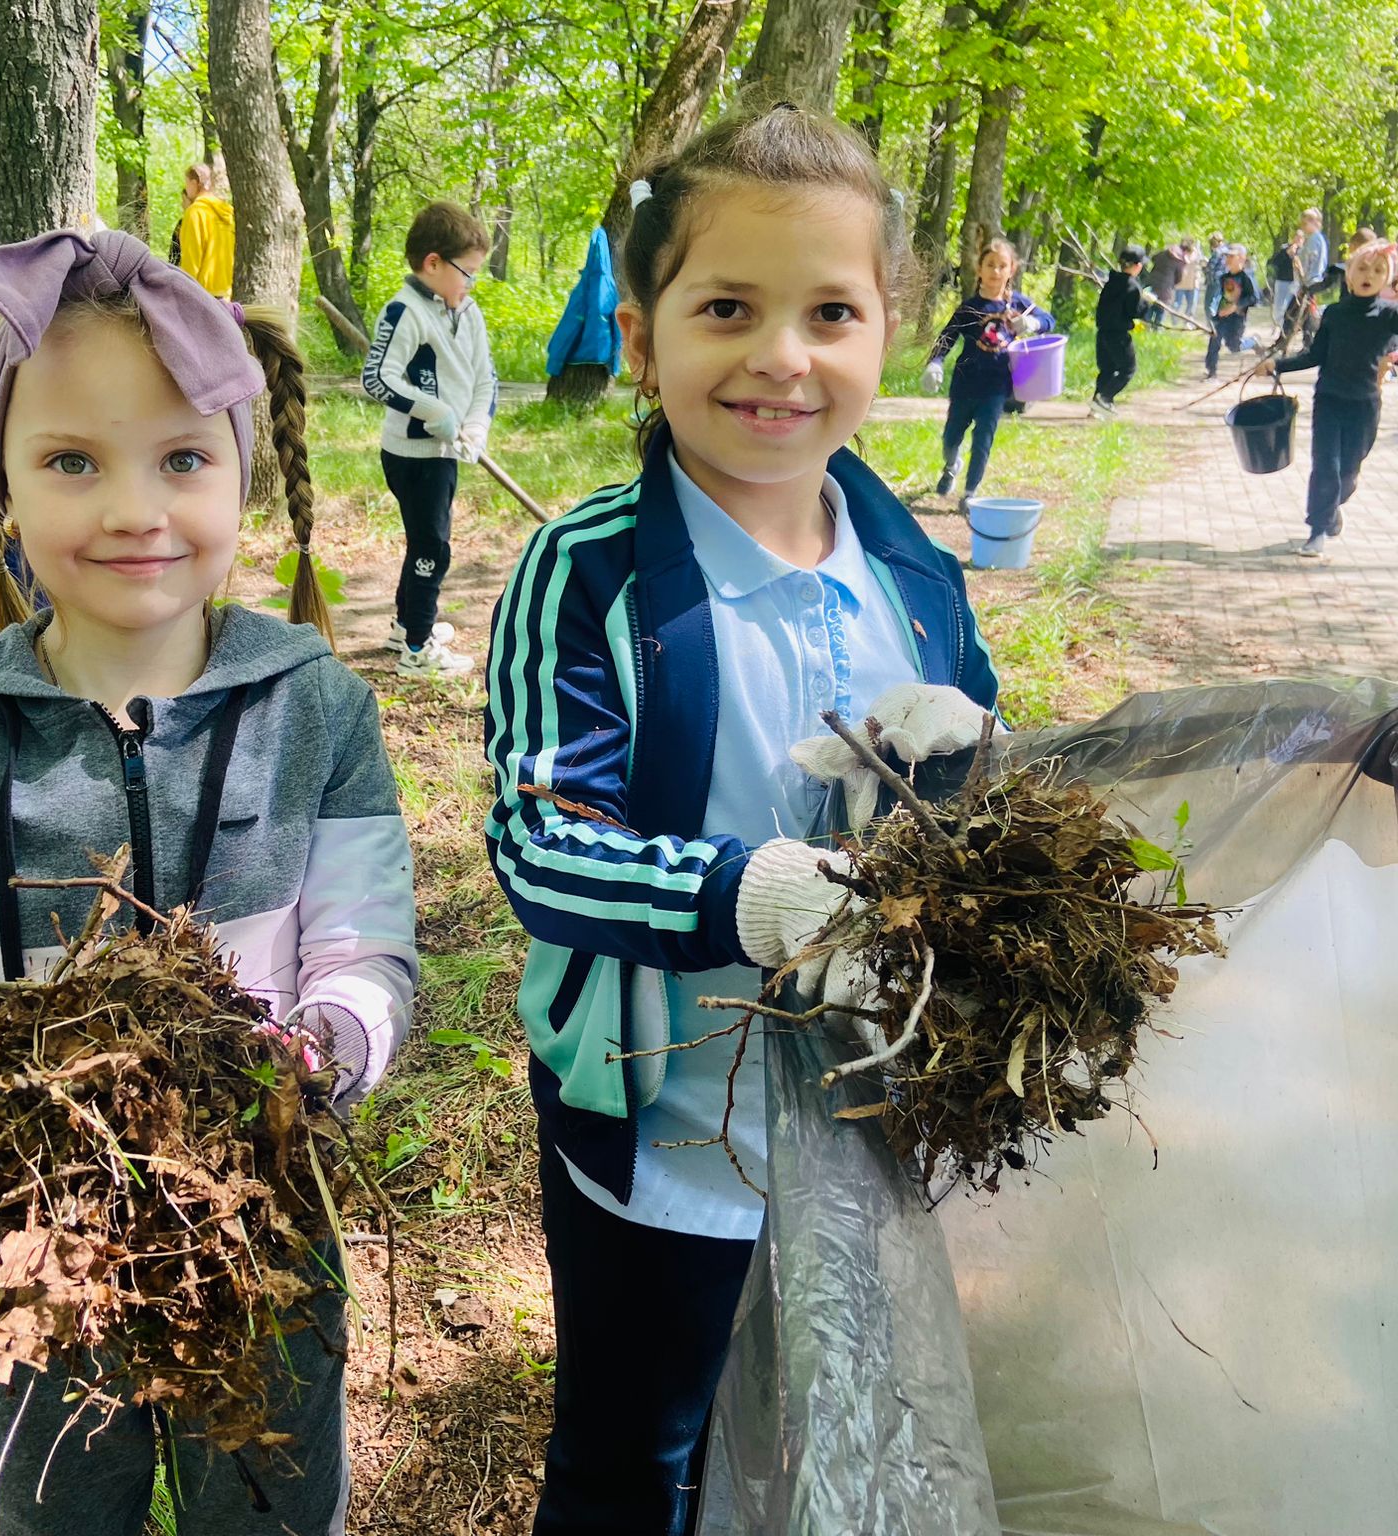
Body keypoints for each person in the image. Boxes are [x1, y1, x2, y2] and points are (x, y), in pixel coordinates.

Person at [0, 227, 418, 1534]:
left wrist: (318, 1052)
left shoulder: (312, 705)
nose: (133, 508)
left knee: (266, 1503)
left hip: (262, 1229)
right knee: (51, 1513)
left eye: (181, 458)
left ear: (243, 468)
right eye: (70, 462)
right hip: (31, 1263)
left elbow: (368, 948)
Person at [484, 104, 998, 1536]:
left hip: (873, 1110)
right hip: (670, 1127)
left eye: (830, 311)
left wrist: (966, 777)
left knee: (833, 1404)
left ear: (886, 328)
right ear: (642, 339)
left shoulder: (917, 571)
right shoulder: (589, 572)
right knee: (639, 1443)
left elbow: (988, 805)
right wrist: (760, 898)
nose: (782, 355)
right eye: (727, 309)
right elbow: (539, 840)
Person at [362, 200, 497, 678]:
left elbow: (485, 379)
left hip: (447, 452)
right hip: (413, 454)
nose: (471, 283)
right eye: (468, 272)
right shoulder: (406, 311)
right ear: (433, 263)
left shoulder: (469, 312)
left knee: (426, 540)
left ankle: (406, 624)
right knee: (432, 548)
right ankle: (418, 649)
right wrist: (431, 409)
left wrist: (476, 424)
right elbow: (377, 377)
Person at [1260, 241, 1398, 559]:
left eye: (1378, 271)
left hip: (1365, 405)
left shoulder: (1390, 316)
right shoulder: (1334, 313)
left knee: (1349, 472)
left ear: (1387, 280)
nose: (1369, 275)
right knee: (1326, 467)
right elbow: (1316, 355)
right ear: (1348, 276)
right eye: (1362, 268)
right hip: (1330, 400)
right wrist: (1277, 365)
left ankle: (1331, 509)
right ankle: (1318, 531)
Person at [923, 236, 1053, 508]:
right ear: (979, 269)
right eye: (990, 265)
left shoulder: (1018, 304)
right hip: (965, 384)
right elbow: (947, 336)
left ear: (1011, 270)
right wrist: (935, 363)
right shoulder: (970, 307)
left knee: (983, 439)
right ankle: (951, 464)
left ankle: (970, 492)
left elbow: (1049, 320)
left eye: (1002, 266)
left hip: (997, 386)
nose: (996, 271)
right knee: (951, 436)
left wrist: (1031, 322)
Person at [1091, 246, 1152, 417]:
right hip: (1118, 334)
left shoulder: (1111, 281)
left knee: (1107, 369)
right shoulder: (1132, 286)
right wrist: (1146, 302)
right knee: (1128, 369)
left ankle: (1098, 404)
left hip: (1102, 332)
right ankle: (1104, 398)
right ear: (1137, 266)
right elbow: (1135, 312)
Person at [176, 162, 235, 299]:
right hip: (228, 293)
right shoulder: (228, 212)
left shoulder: (195, 213)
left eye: (187, 183)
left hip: (204, 295)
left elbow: (191, 259)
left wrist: (185, 293)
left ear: (194, 183)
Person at [1205, 244, 1260, 378]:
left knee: (1233, 346)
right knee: (1214, 340)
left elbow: (1254, 298)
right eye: (1226, 256)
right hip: (1222, 317)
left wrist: (1235, 307)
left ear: (1241, 258)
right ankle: (1211, 372)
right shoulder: (1224, 277)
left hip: (1237, 319)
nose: (1228, 259)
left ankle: (1252, 342)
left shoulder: (1246, 277)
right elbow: (1221, 296)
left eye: (1231, 256)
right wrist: (1216, 312)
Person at [1268, 230, 1304, 331]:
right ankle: (1277, 326)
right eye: (1296, 237)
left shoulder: (1303, 251)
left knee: (1291, 306)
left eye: (1300, 238)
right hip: (1282, 281)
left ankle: (1289, 327)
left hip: (1296, 283)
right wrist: (1287, 253)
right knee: (1279, 305)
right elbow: (1275, 263)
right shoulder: (1284, 248)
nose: (1298, 240)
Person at [1146, 240, 1186, 328]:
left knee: (1150, 306)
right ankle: (1156, 329)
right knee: (1161, 310)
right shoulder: (1178, 262)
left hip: (1153, 283)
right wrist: (1172, 283)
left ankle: (1146, 327)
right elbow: (1179, 278)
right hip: (1166, 289)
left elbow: (1153, 258)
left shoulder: (1161, 254)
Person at [1298, 207, 1329, 291]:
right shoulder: (1315, 238)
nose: (1302, 227)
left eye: (1305, 223)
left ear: (1314, 222)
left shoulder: (1314, 239)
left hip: (1312, 282)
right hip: (1311, 282)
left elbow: (1307, 261)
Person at [1172, 238, 1200, 319]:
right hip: (1180, 282)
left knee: (1191, 304)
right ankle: (1174, 321)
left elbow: (1195, 261)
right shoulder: (1179, 253)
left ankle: (1188, 321)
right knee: (1177, 303)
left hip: (1193, 283)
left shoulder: (1196, 252)